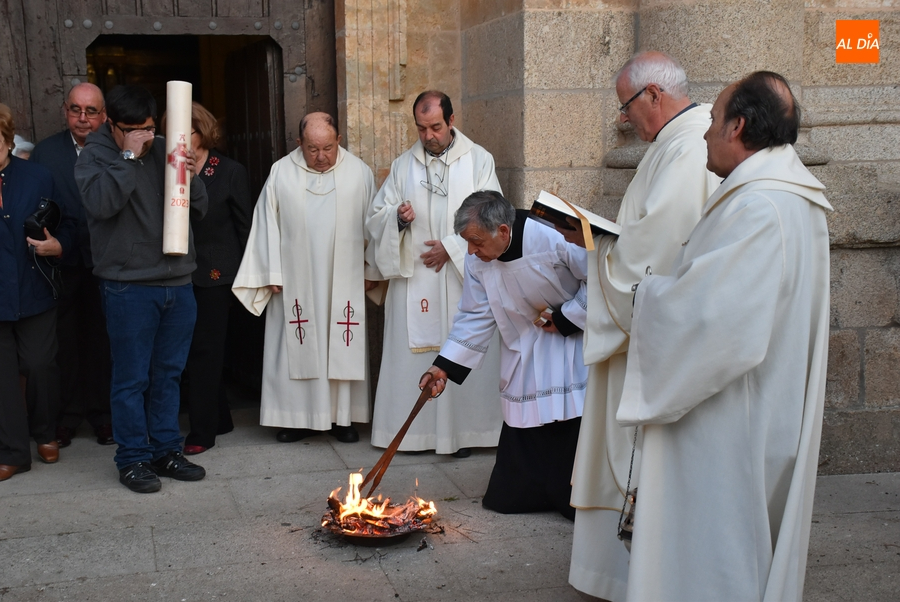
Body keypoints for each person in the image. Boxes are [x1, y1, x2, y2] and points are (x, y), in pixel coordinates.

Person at [616, 71, 831, 601]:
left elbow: (715, 323)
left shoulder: (761, 206)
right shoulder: (781, 195)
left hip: (730, 418)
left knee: (720, 545)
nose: (706, 134)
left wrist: (647, 297)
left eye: (713, 122)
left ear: (737, 127)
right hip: (753, 403)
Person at [565, 51, 721, 601]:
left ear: (653, 95)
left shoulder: (687, 147)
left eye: (626, 107)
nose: (624, 119)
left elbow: (652, 252)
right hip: (648, 329)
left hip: (653, 335)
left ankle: (634, 575)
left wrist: (599, 248)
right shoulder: (675, 142)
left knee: (632, 452)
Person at [420, 191, 588, 519]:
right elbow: (475, 314)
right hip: (523, 345)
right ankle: (530, 491)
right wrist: (443, 366)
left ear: (503, 231)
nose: (470, 251)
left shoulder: (553, 235)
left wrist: (569, 316)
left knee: (571, 422)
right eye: (467, 242)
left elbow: (602, 277)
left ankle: (568, 494)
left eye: (476, 241)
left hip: (570, 342)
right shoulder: (478, 259)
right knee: (506, 497)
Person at [75, 85, 209, 493]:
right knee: (132, 378)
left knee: (168, 374)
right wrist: (128, 157)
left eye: (149, 129)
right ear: (111, 125)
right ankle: (133, 458)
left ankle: (166, 449)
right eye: (133, 130)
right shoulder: (95, 155)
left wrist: (190, 172)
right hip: (128, 286)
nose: (144, 137)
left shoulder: (168, 146)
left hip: (178, 281)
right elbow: (100, 205)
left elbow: (199, 207)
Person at [366, 91, 503, 458]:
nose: (429, 136)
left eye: (436, 127)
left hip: (464, 277)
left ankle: (464, 433)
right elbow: (376, 215)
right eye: (422, 128)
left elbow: (494, 215)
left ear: (452, 121)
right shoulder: (402, 166)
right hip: (415, 277)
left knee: (462, 340)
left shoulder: (478, 160)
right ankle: (415, 435)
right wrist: (397, 217)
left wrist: (453, 247)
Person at [233, 112, 374, 444]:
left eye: (327, 147)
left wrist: (372, 268)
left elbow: (374, 225)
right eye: (312, 149)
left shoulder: (359, 174)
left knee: (343, 342)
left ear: (339, 140)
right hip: (295, 282)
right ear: (299, 144)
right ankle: (295, 418)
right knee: (296, 344)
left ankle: (344, 418)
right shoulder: (281, 172)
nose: (321, 157)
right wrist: (270, 271)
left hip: (345, 279)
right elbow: (266, 224)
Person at [164, 102, 253, 455]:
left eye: (187, 130)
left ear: (203, 131)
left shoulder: (229, 171)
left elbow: (245, 226)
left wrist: (252, 275)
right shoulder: (167, 168)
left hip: (217, 273)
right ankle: (220, 417)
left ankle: (202, 432)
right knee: (190, 350)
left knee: (205, 350)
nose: (180, 139)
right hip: (176, 271)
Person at [32, 82, 114, 448]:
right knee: (62, 346)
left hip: (108, 263)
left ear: (104, 114)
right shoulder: (46, 153)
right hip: (60, 265)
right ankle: (65, 419)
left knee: (104, 343)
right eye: (76, 110)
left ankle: (104, 417)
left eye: (91, 111)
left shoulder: (117, 149)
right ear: (65, 110)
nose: (83, 118)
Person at [0, 103, 76, 480]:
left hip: (35, 287)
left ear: (7, 140)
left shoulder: (37, 176)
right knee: (2, 375)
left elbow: (69, 223)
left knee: (39, 364)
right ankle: (13, 451)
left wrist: (59, 246)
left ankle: (45, 432)